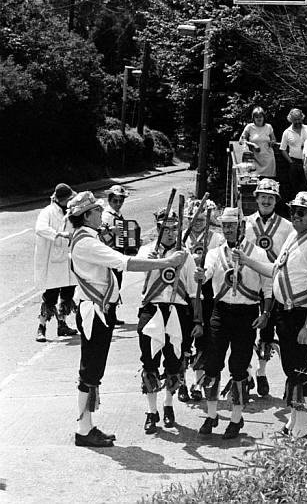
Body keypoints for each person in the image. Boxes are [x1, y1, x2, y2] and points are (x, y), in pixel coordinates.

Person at [67, 191, 187, 448]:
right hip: (94, 311)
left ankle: (86, 426)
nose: (102, 213)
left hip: (99, 309)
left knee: (93, 370)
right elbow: (124, 263)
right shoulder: (86, 242)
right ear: (86, 216)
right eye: (97, 211)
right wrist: (166, 261)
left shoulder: (87, 237)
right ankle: (83, 429)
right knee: (90, 370)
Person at [234, 191, 307, 439]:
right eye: (293, 211)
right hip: (284, 312)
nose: (295, 216)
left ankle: (302, 428)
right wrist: (246, 260)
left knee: (300, 370)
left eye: (301, 212)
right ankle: (293, 422)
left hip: (299, 314)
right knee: (291, 368)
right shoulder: (294, 236)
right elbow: (274, 270)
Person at [194, 207, 272, 440]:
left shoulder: (257, 253)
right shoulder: (214, 253)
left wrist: (266, 313)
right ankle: (211, 414)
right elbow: (206, 274)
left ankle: (236, 419)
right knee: (212, 363)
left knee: (238, 366)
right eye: (225, 226)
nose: (228, 229)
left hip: (246, 313)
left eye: (232, 225)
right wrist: (199, 275)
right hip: (221, 312)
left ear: (241, 227)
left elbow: (268, 287)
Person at [137, 208, 200, 433]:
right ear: (158, 228)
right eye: (167, 228)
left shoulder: (185, 254)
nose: (171, 233)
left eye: (175, 228)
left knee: (174, 363)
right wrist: (153, 263)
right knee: (149, 362)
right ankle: (151, 412)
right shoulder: (147, 251)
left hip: (178, 312)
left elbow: (194, 292)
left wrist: (197, 321)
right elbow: (135, 272)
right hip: (152, 309)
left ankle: (168, 406)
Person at [244, 178, 293, 396]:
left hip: (273, 286)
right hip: (247, 283)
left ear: (276, 201)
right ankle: (245, 374)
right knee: (243, 331)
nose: (266, 200)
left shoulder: (287, 226)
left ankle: (262, 373)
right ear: (256, 198)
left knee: (266, 331)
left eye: (270, 197)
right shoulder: (244, 223)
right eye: (262, 196)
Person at [180, 196, 223, 402]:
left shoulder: (216, 239)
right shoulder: (182, 237)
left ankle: (197, 384)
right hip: (183, 295)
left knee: (203, 341)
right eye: (193, 218)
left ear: (207, 220)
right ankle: (179, 382)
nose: (196, 223)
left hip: (205, 294)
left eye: (200, 219)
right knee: (182, 341)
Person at [34, 183, 78, 342]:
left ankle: (62, 325)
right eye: (69, 199)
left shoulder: (70, 212)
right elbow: (40, 229)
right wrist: (59, 234)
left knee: (68, 293)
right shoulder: (48, 212)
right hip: (52, 260)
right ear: (63, 199)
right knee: (51, 295)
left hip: (67, 259)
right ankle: (42, 327)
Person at [101, 184, 130, 326]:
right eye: (115, 201)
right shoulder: (105, 215)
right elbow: (99, 231)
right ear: (109, 200)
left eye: (121, 201)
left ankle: (112, 314)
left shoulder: (118, 215)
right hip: (108, 254)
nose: (118, 204)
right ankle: (107, 316)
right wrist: (110, 230)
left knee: (117, 284)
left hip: (117, 253)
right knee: (110, 285)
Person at [280, 108, 307, 198]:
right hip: (294, 163)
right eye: (295, 120)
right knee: (294, 187)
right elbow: (283, 149)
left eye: (299, 119)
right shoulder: (287, 132)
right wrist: (290, 161)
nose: (298, 121)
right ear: (291, 120)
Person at [239, 107, 277, 178]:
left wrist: (272, 142)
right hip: (254, 158)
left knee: (268, 181)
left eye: (260, 116)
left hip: (267, 158)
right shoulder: (249, 127)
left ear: (264, 117)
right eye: (256, 117)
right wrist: (253, 144)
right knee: (254, 180)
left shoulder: (268, 127)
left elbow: (274, 139)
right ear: (253, 118)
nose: (259, 119)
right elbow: (241, 141)